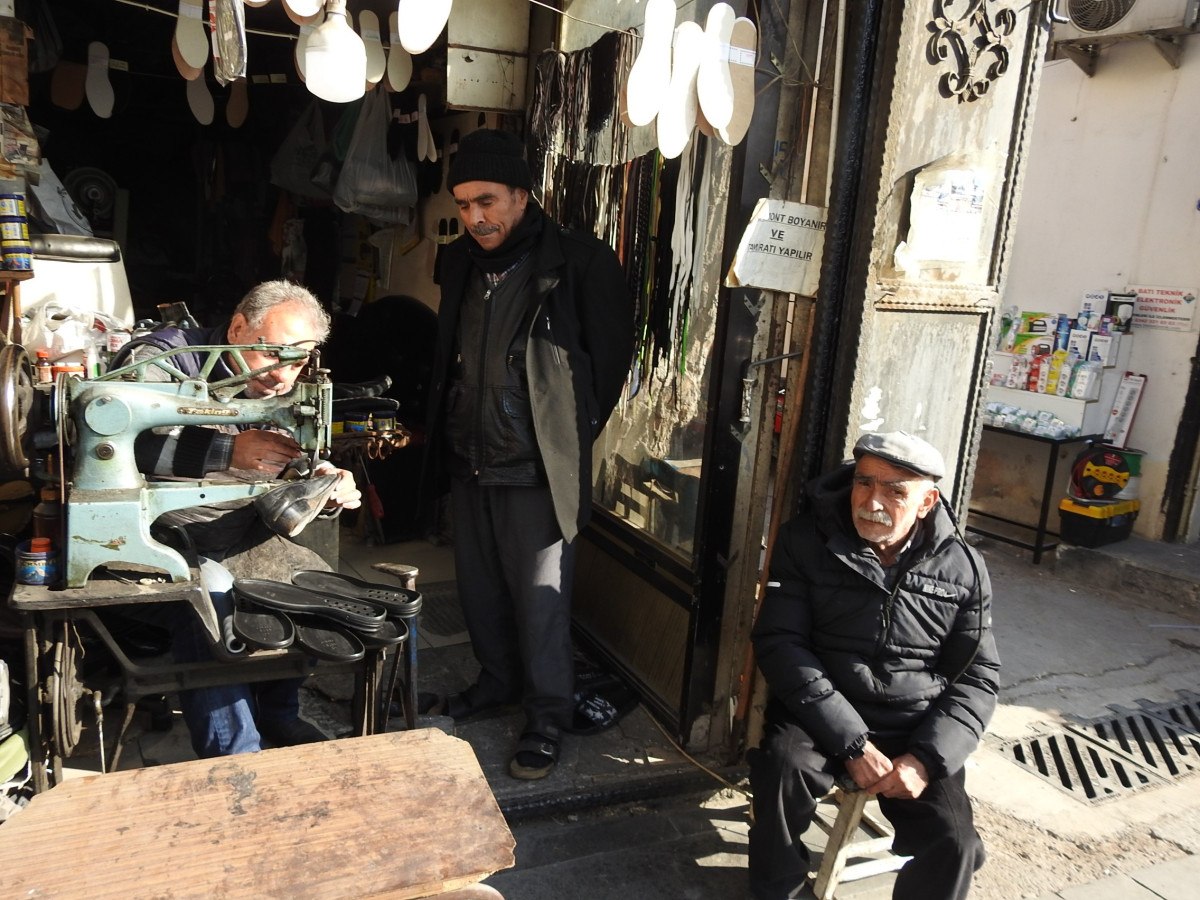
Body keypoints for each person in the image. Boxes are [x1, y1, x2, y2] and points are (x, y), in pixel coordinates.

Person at [423, 129, 634, 779]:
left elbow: (609, 364)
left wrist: (565, 437)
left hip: (537, 465)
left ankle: (547, 714)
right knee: (480, 588)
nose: (474, 217)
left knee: (542, 600)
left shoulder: (580, 261)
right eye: (463, 205)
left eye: (486, 201)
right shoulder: (458, 262)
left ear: (521, 194)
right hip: (471, 454)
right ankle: (496, 682)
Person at [110, 279, 361, 758]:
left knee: (312, 585)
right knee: (209, 602)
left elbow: (287, 452)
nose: (285, 375)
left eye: (301, 359)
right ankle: (236, 757)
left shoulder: (273, 384)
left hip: (230, 529)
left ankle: (278, 714)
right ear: (238, 326)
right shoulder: (160, 360)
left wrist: (320, 478)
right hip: (151, 541)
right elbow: (123, 440)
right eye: (273, 354)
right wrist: (228, 450)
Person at [747, 431, 1000, 900]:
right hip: (822, 711)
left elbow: (978, 676)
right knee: (781, 773)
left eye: (895, 491)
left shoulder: (964, 567)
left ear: (927, 503)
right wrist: (851, 743)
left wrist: (927, 759)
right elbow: (780, 642)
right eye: (864, 483)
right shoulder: (807, 540)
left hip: (913, 725)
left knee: (956, 844)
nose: (871, 501)